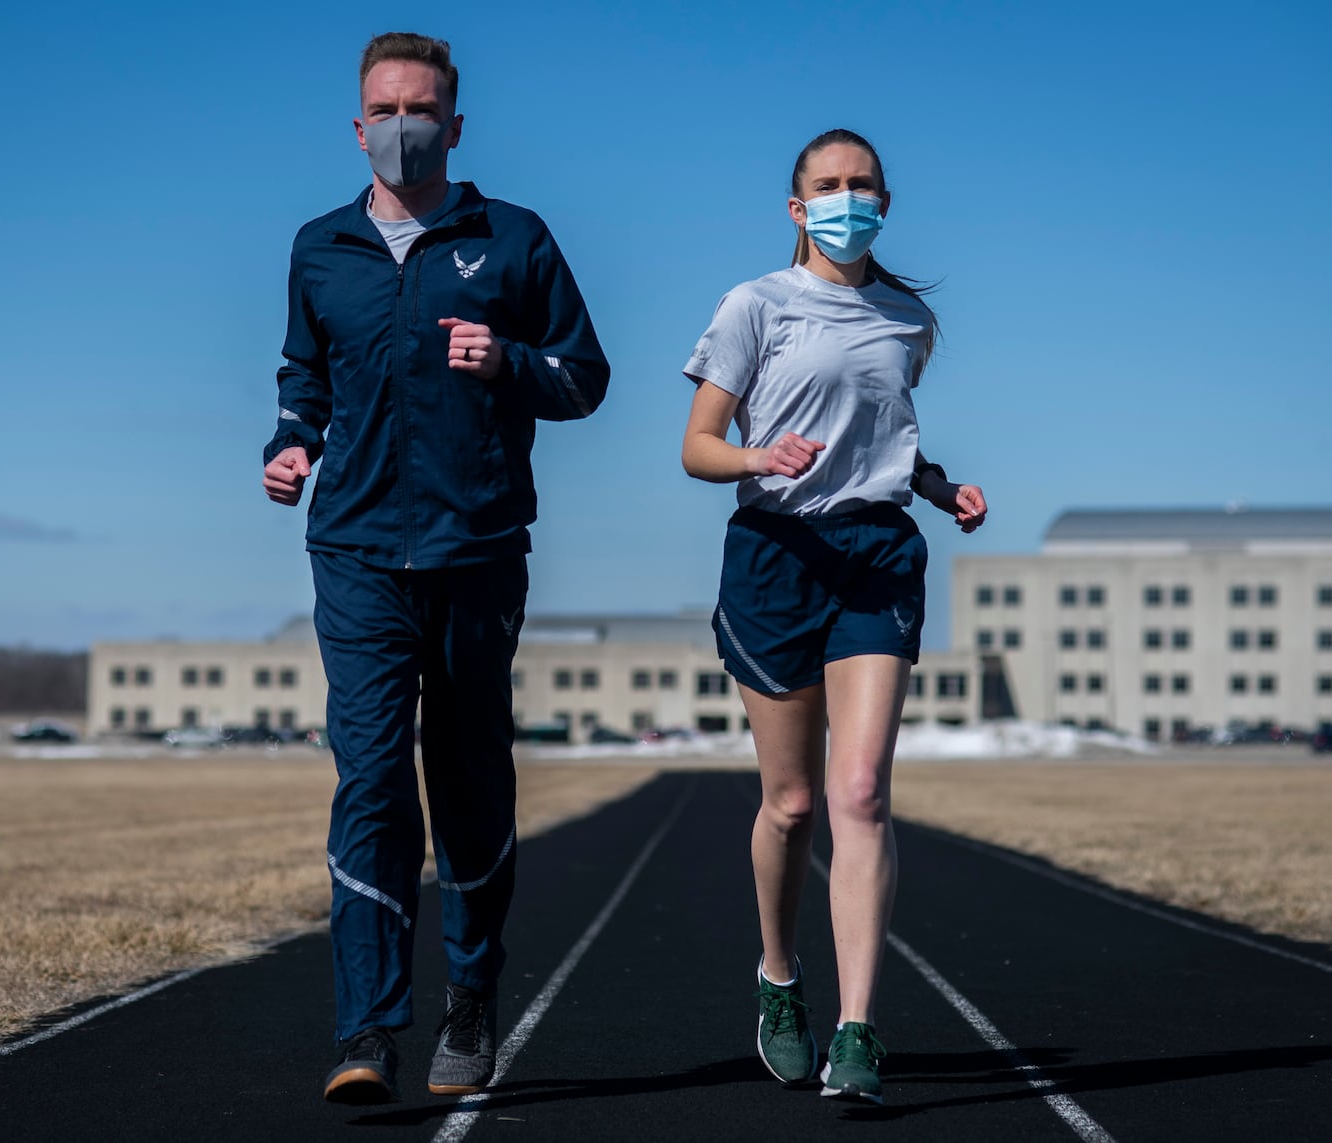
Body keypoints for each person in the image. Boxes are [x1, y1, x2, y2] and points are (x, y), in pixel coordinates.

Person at [261, 32, 609, 1105]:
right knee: (368, 781)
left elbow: (584, 376)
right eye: (383, 109)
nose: (401, 126)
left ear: (453, 127)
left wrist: (508, 361)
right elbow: (301, 377)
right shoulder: (320, 248)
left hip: (476, 553)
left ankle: (469, 997)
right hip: (355, 552)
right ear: (356, 125)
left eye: (421, 110)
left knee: (465, 780)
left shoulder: (511, 239)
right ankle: (364, 1028)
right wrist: (289, 446)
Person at [680, 128, 987, 1105]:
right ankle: (780, 979)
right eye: (826, 185)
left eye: (861, 185)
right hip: (776, 553)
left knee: (859, 794)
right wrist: (756, 460)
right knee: (794, 803)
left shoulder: (904, 318)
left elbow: (886, 440)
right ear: (795, 206)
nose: (844, 198)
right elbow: (697, 446)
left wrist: (941, 489)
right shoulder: (754, 305)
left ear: (883, 200)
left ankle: (857, 1031)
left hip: (877, 555)